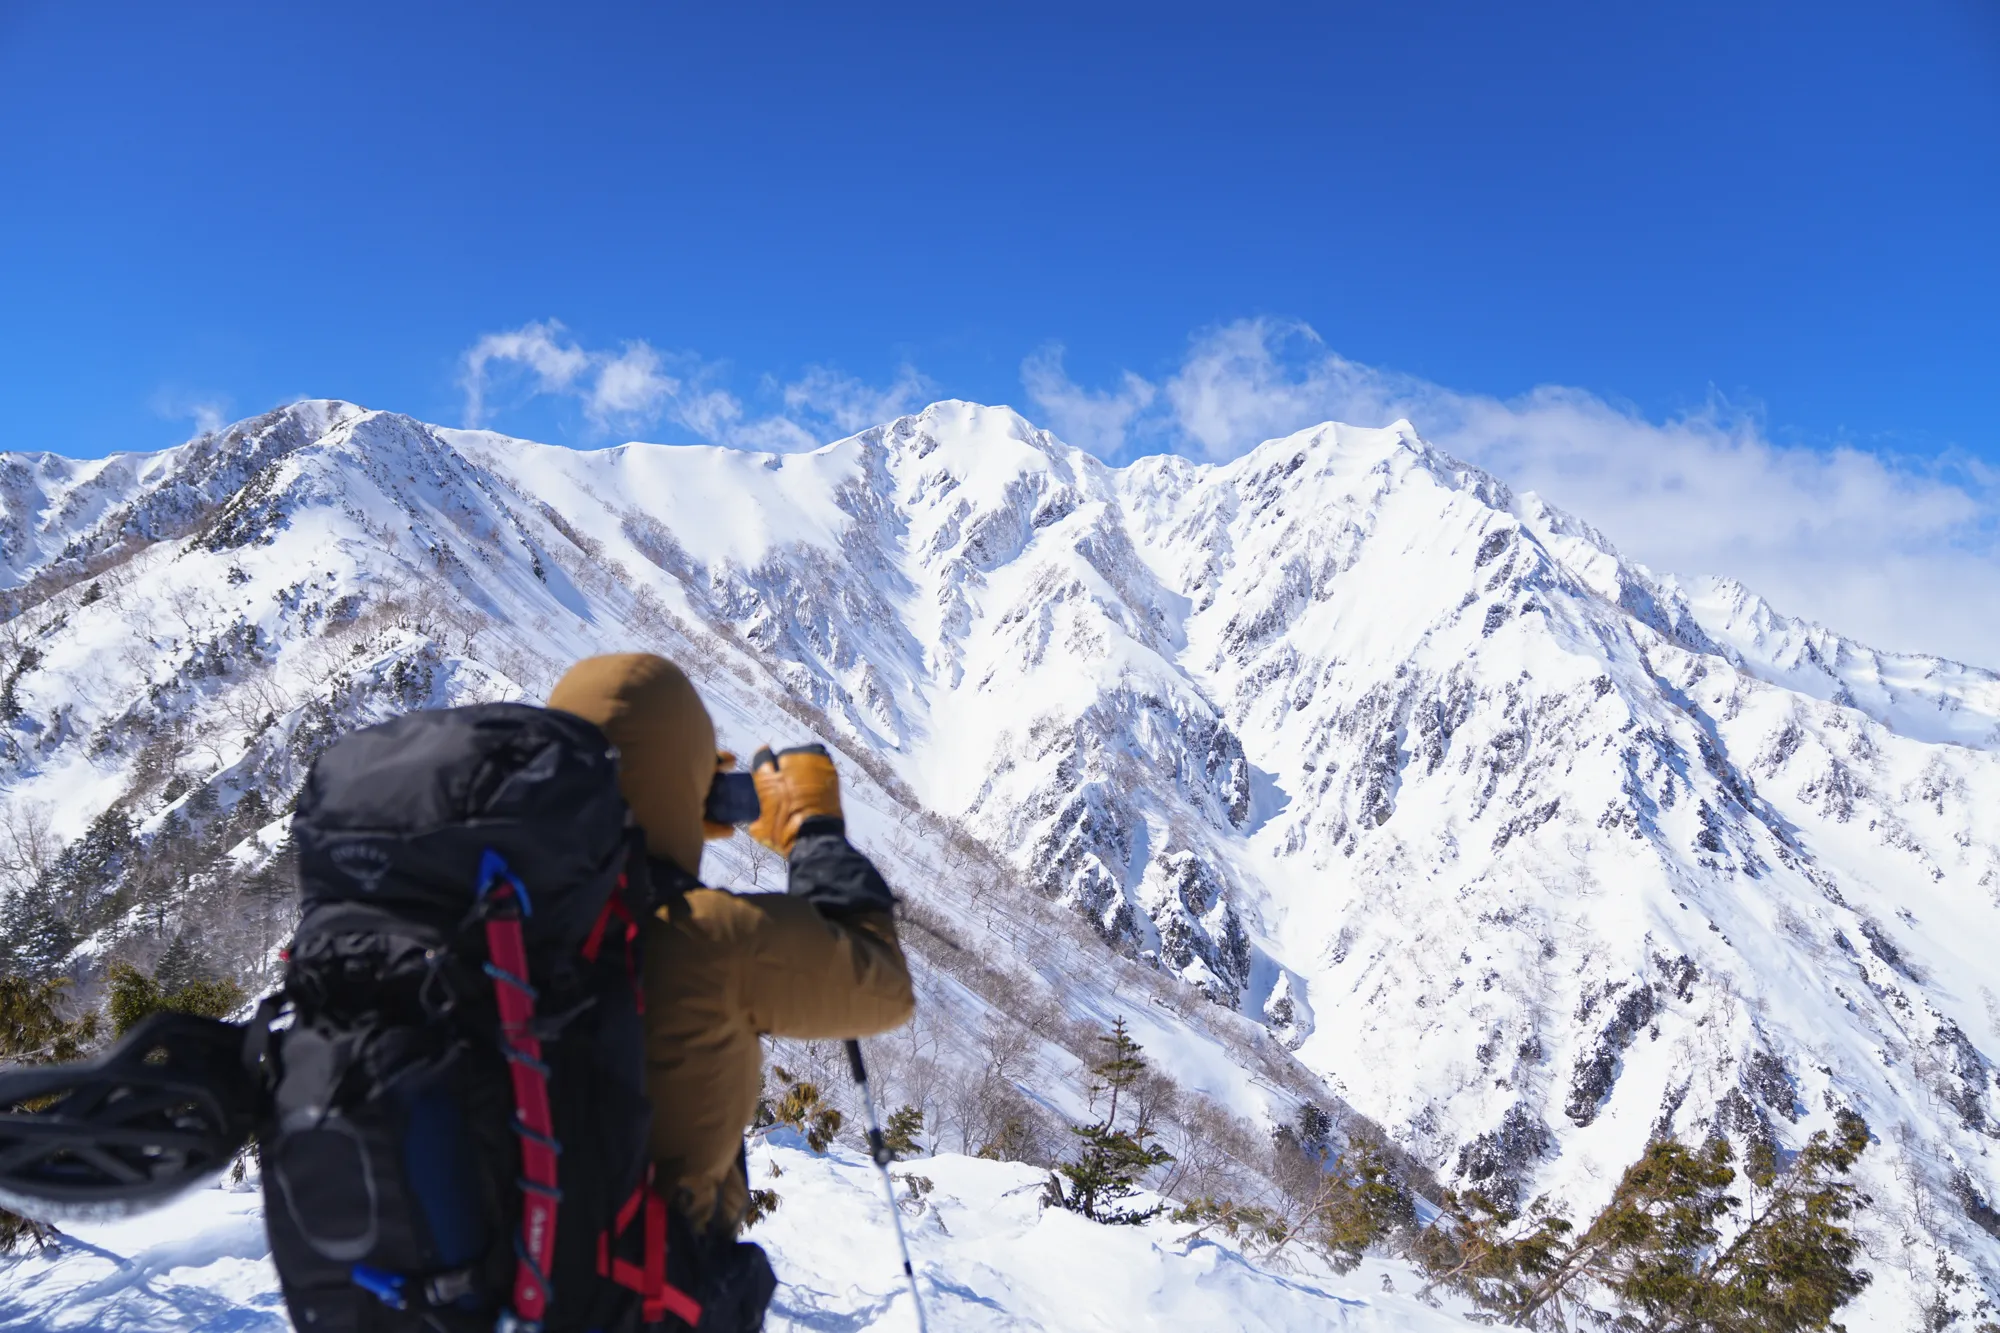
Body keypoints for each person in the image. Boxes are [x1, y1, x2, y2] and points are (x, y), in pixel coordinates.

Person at [546, 653, 914, 1323]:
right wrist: (815, 838)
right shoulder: (702, 937)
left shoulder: (488, 915)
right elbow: (882, 983)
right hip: (635, 1302)